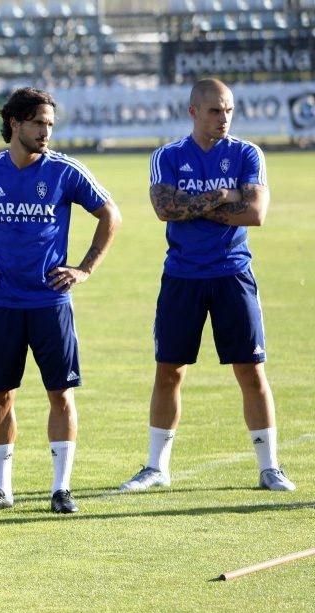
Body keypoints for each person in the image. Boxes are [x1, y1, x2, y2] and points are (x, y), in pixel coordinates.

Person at [0, 87, 121, 514]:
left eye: (50, 125)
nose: (46, 132)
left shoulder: (65, 172)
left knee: (61, 393)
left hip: (50, 305)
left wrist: (84, 268)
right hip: (1, 303)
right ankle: (1, 488)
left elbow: (110, 214)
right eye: (38, 123)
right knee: (0, 394)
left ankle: (61, 489)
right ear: (15, 124)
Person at [119, 78, 295, 492]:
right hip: (182, 277)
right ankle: (156, 467)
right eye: (215, 111)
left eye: (229, 110)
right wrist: (221, 195)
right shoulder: (167, 155)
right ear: (194, 112)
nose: (224, 118)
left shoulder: (248, 153)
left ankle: (270, 467)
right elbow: (164, 208)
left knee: (251, 371)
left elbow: (254, 213)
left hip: (233, 274)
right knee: (169, 372)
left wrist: (194, 206)